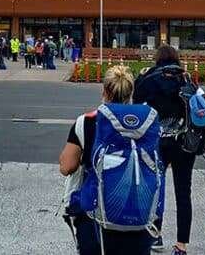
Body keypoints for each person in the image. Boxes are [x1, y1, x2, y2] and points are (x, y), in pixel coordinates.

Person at [60, 65, 162, 255]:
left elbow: (66, 167)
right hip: (139, 215)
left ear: (105, 90)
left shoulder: (87, 122)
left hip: (96, 219)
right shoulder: (148, 122)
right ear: (131, 92)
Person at [131, 45, 195, 254]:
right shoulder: (185, 78)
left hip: (156, 141)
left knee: (155, 187)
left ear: (157, 59)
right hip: (184, 141)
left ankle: (155, 234)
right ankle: (181, 245)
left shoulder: (148, 77)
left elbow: (136, 103)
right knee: (183, 192)